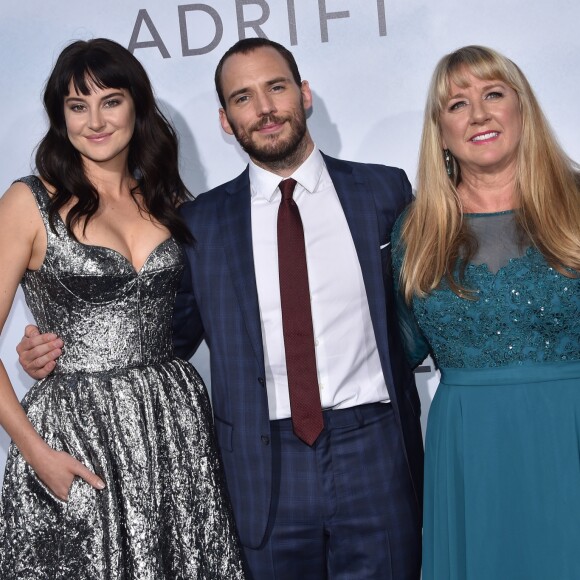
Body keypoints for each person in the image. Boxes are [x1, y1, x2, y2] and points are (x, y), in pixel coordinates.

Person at [18, 38, 424, 579]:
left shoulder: (383, 191)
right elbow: (160, 335)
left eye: (275, 88)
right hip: (261, 462)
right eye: (242, 98)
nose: (264, 108)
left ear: (304, 95)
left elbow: (431, 302)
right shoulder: (200, 223)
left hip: (373, 446)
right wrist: (60, 349)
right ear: (225, 121)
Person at [0, 38, 245, 578]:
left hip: (172, 425)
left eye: (110, 100)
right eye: (76, 105)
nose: (95, 121)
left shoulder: (168, 202)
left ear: (136, 104)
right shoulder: (28, 202)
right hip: (75, 436)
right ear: (59, 116)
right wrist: (37, 454)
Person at [392, 45, 580, 579]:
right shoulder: (414, 232)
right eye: (457, 104)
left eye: (493, 94)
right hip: (472, 452)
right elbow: (402, 351)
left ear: (522, 108)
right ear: (440, 129)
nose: (478, 114)